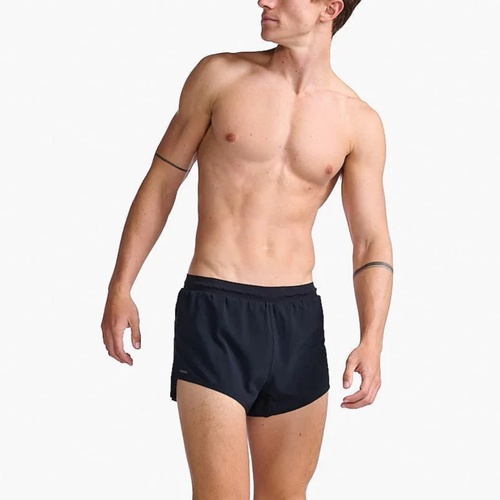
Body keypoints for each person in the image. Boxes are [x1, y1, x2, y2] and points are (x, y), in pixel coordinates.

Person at [101, 0, 393, 498]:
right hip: (215, 308)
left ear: (329, 8)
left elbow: (370, 241)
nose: (264, 1)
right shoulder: (219, 77)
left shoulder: (359, 121)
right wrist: (121, 285)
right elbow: (162, 181)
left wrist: (373, 339)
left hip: (298, 321)